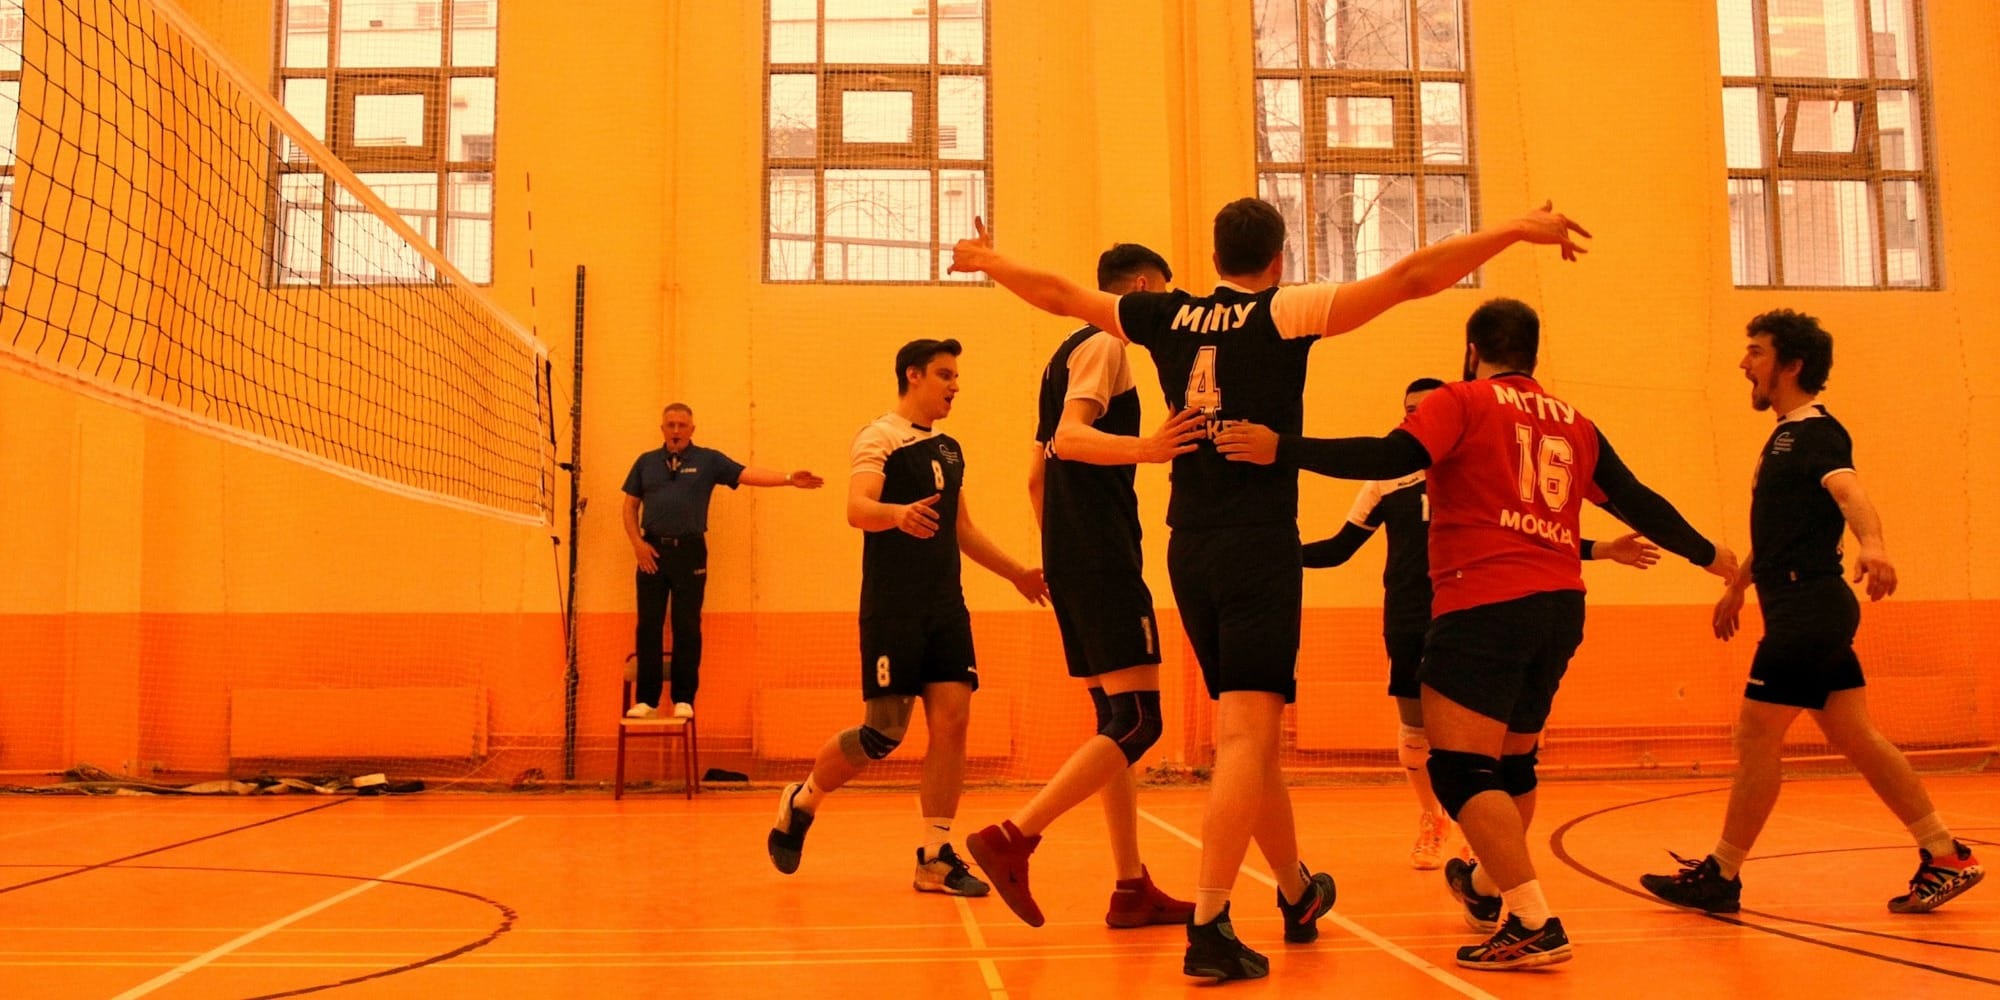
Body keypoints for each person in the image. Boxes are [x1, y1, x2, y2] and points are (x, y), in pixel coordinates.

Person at [951, 199, 1592, 982]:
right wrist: (1513, 232)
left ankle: (1295, 893)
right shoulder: (1284, 312)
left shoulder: (1165, 314)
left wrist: (991, 264)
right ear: (1279, 258)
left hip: (1189, 547)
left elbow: (1059, 295)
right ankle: (1212, 921)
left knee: (1247, 742)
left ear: (1213, 254)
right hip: (1258, 546)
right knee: (1247, 739)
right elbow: (1414, 276)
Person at [1215, 298, 1736, 970]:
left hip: (1484, 600)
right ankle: (1490, 887)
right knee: (1513, 765)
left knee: (1459, 769)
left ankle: (1533, 920)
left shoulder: (1461, 401)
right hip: (1560, 606)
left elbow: (1388, 454)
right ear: (1533, 356)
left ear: (1472, 352)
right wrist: (1708, 555)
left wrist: (1280, 448)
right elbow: (1639, 502)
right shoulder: (1576, 424)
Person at [1639, 309, 1984, 915]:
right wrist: (1738, 585)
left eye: (1756, 352)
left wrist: (1873, 546)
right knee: (1858, 736)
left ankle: (1721, 874)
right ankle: (1944, 852)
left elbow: (1851, 493)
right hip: (1805, 605)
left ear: (1791, 365)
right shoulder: (1783, 436)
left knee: (1755, 734)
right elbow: (1781, 532)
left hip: (1808, 609)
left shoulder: (1816, 432)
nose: (1744, 363)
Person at [1304, 377, 1660, 871]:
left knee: (1485, 743)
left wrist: (1601, 549)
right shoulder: (1387, 481)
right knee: (1415, 733)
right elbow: (1338, 548)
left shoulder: (1481, 464)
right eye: (1409, 410)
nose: (1418, 417)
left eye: (1426, 409)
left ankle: (1483, 835)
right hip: (1409, 617)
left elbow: (1528, 535)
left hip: (1473, 613)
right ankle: (1432, 819)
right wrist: (1276, 554)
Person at [964, 244, 1206, 930]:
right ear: (1138, 287)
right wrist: (1147, 449)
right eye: (1161, 291)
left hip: (1075, 556)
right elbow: (1070, 440)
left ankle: (1130, 886)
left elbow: (1036, 475)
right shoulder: (1107, 342)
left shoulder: (1065, 353)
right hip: (1099, 554)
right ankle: (1015, 836)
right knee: (1139, 722)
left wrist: (1059, 552)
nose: (1163, 305)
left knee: (1113, 723)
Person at [767, 338, 1049, 898]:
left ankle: (934, 856)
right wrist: (897, 514)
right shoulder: (880, 437)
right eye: (944, 375)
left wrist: (1017, 572)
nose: (954, 387)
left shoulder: (949, 448)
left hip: (946, 606)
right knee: (883, 733)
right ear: (913, 375)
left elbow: (961, 530)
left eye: (957, 378)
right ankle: (802, 802)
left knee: (953, 721)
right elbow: (857, 509)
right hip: (893, 606)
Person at [621, 403, 823, 719]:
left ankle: (683, 699)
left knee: (687, 625)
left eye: (682, 425)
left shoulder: (708, 460)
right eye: (670, 425)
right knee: (649, 625)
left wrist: (787, 478)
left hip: (690, 552)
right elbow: (629, 507)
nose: (676, 431)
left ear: (692, 429)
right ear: (662, 428)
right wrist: (638, 545)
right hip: (651, 552)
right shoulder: (646, 463)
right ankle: (646, 700)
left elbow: (746, 473)